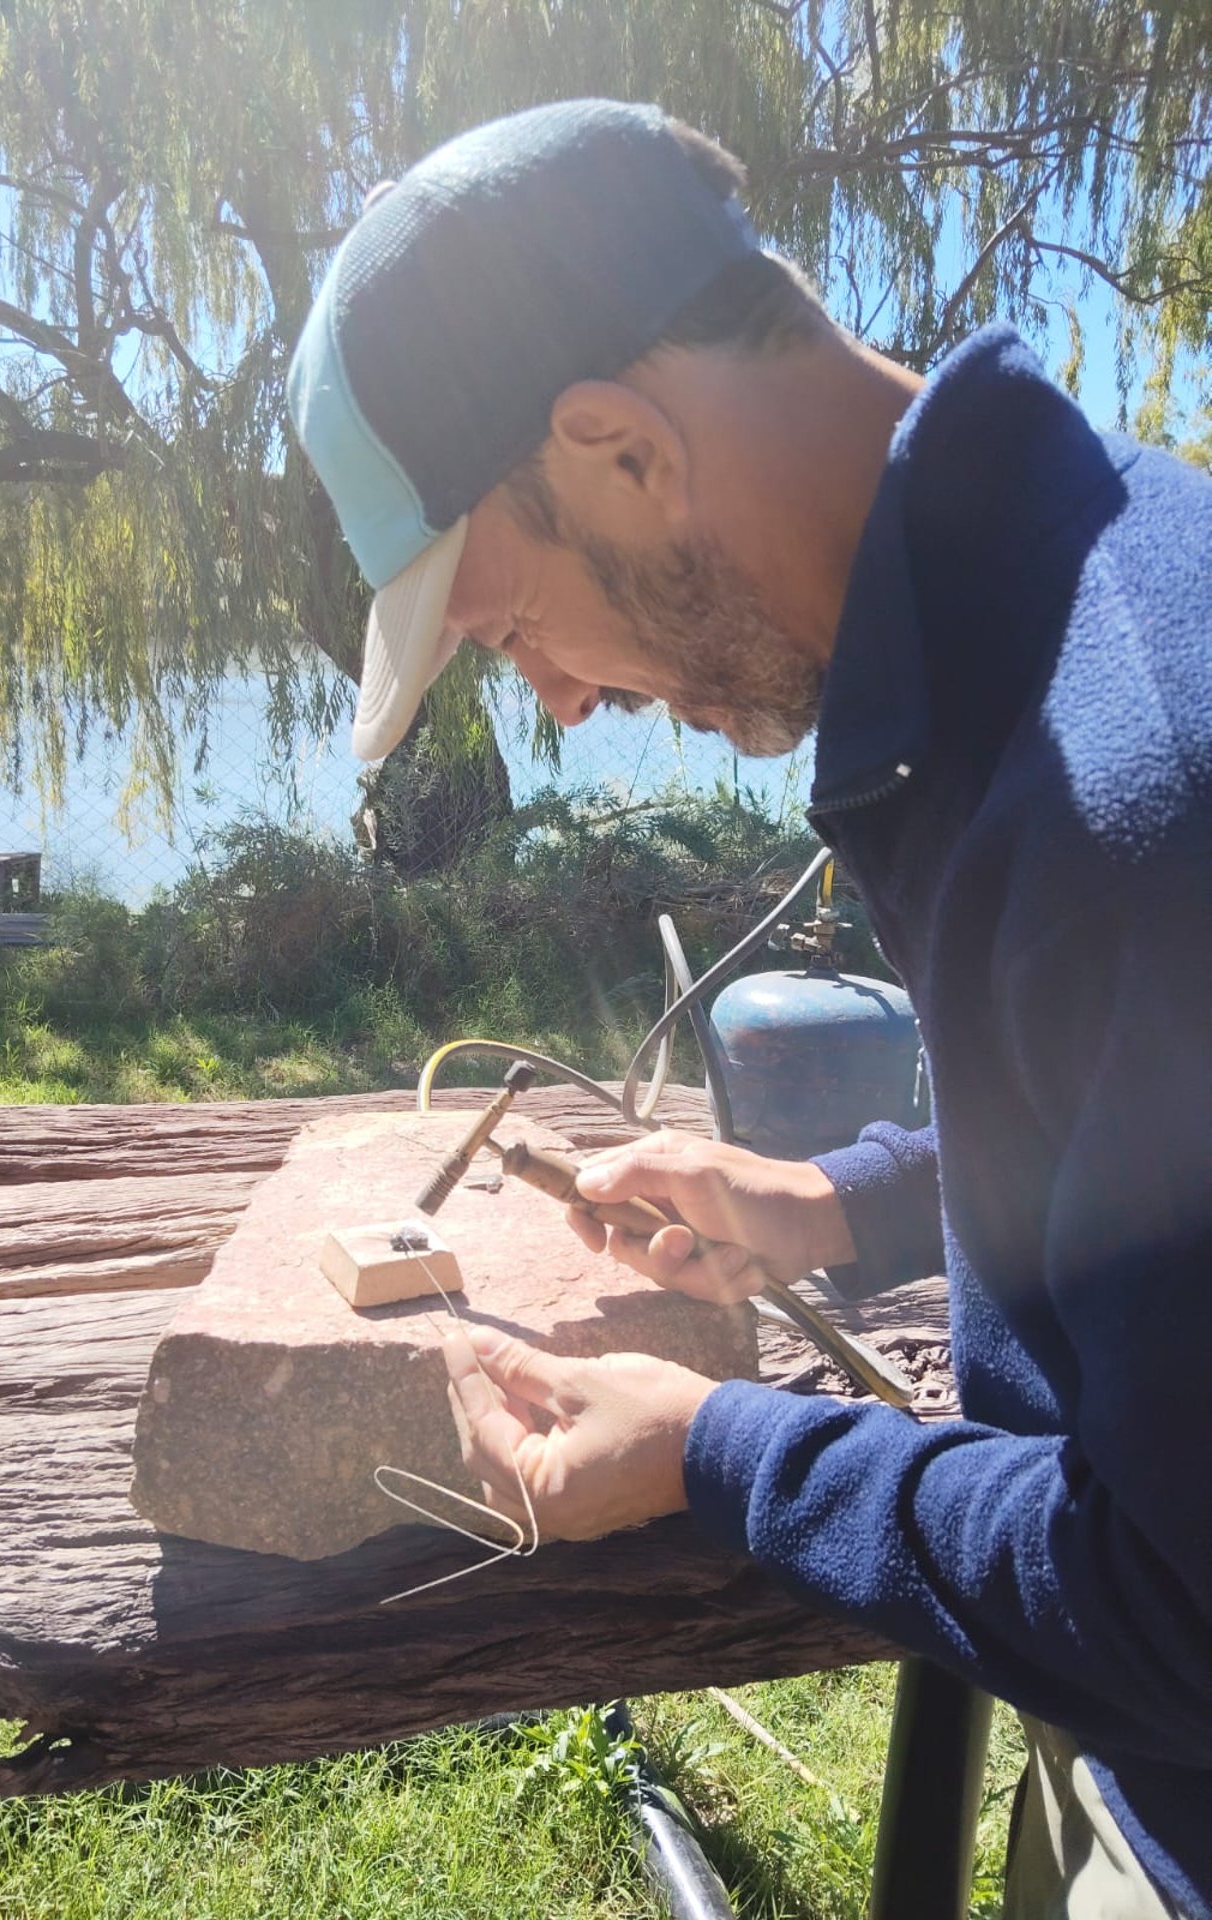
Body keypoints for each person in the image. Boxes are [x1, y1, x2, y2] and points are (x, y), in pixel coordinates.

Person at [287, 98, 1212, 1918]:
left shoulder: (1132, 787)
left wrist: (714, 1452)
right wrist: (850, 1200)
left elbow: (1181, 1607)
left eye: (505, 625)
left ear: (620, 448)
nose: (552, 703)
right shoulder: (1067, 595)